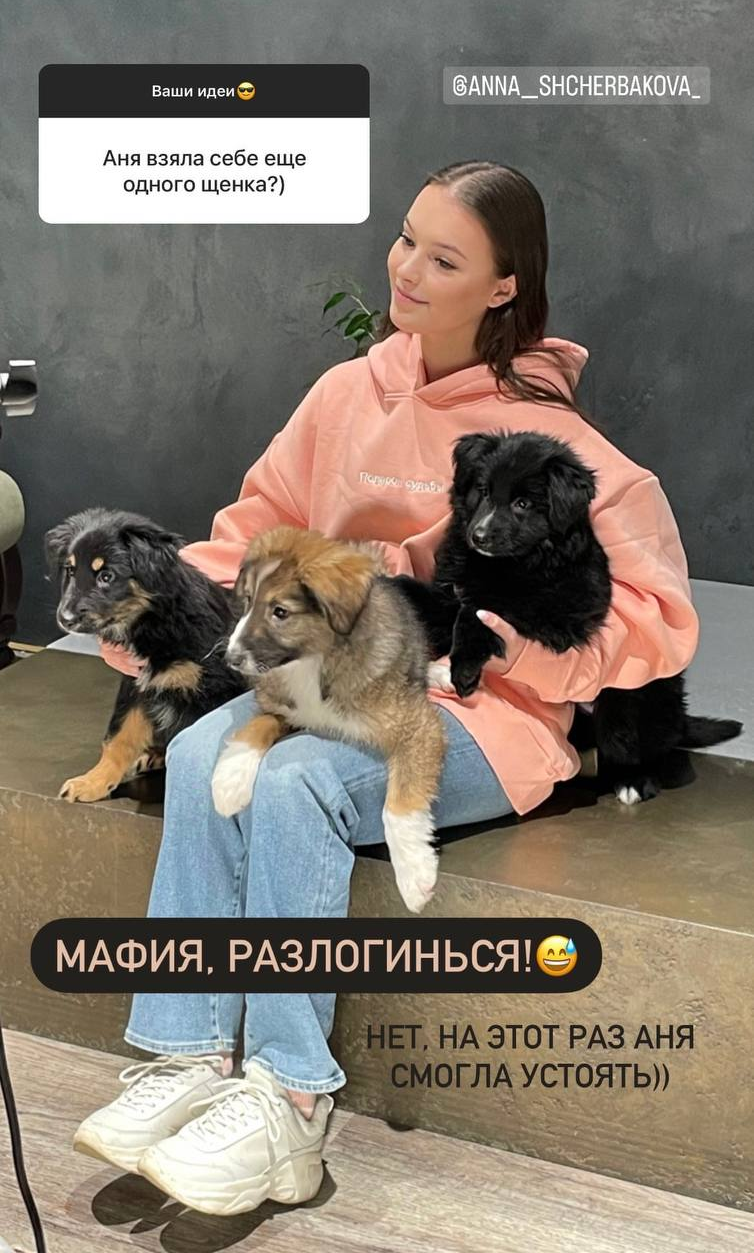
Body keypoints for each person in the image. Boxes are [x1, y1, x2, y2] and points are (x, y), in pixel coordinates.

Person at [73, 161, 699, 1217]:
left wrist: (511, 649)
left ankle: (290, 1100)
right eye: (407, 238)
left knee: (296, 782)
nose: (406, 269)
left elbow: (659, 616)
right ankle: (189, 1055)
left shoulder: (552, 444)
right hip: (329, 680)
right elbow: (253, 527)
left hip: (477, 713)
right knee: (199, 750)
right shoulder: (345, 395)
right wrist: (162, 607)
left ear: (504, 286)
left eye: (444, 259)